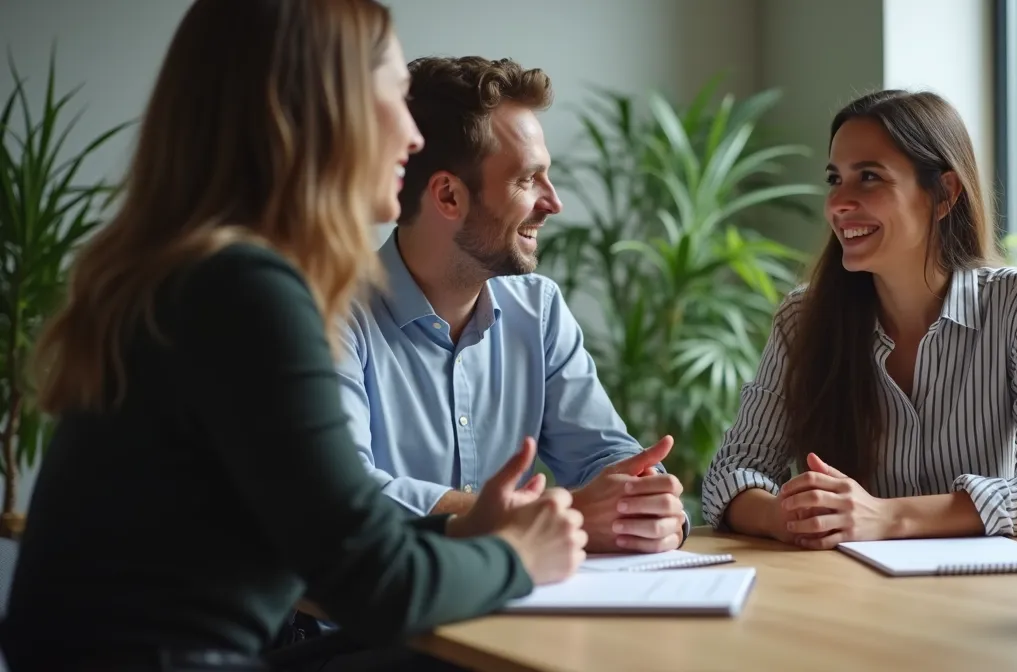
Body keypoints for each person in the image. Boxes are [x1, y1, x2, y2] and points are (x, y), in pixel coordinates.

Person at [0, 1, 586, 671]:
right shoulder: (245, 289)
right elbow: (373, 582)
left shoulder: (196, 272)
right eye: (394, 96)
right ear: (320, 112)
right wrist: (516, 556)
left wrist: (460, 530)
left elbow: (331, 531)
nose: (415, 138)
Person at [700, 89, 1017, 549]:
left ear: (944, 193)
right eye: (834, 179)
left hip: (982, 595)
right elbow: (729, 474)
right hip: (846, 591)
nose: (838, 204)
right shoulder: (802, 317)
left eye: (868, 178)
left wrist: (885, 517)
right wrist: (781, 517)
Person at [337, 55, 689, 554]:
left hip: (511, 613)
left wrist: (647, 499)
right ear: (448, 196)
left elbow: (603, 455)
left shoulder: (538, 309)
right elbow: (349, 493)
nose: (554, 202)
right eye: (528, 179)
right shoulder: (334, 311)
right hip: (374, 624)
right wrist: (537, 516)